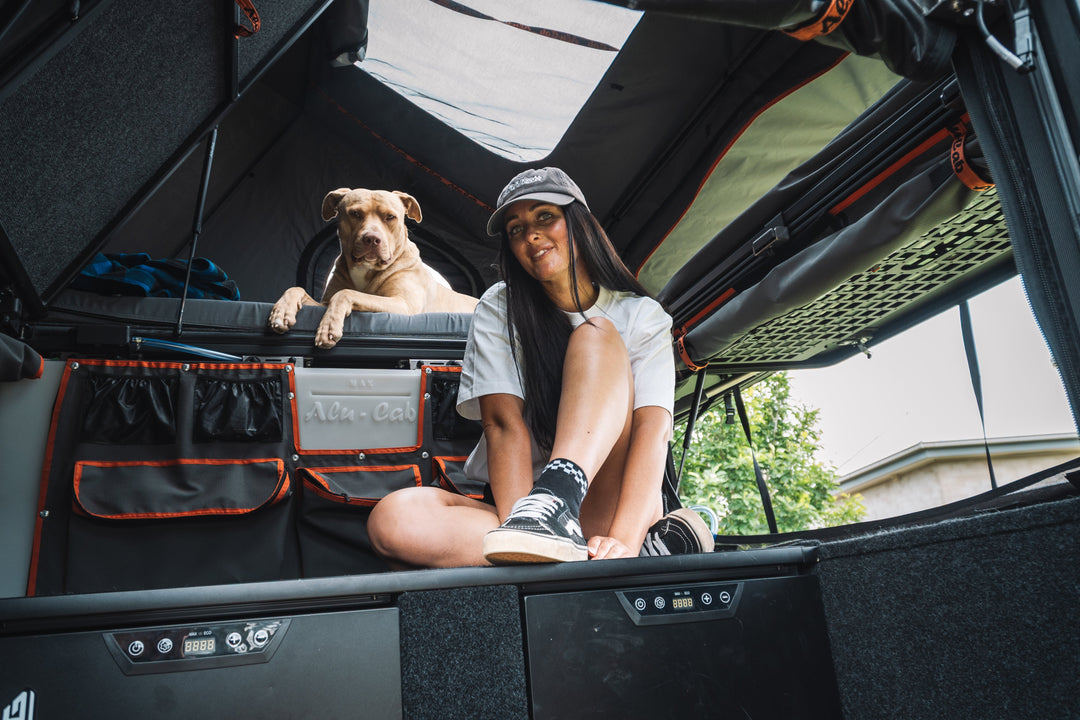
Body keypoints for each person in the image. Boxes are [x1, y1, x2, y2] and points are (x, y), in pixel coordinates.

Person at [367, 167, 713, 566]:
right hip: (529, 512)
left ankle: (603, 537)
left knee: (596, 333)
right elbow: (503, 426)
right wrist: (523, 535)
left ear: (579, 224)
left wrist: (624, 541)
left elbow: (653, 433)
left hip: (610, 511)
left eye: (544, 217)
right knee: (394, 520)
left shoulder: (642, 316)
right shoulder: (500, 307)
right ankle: (577, 548)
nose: (530, 234)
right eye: (516, 229)